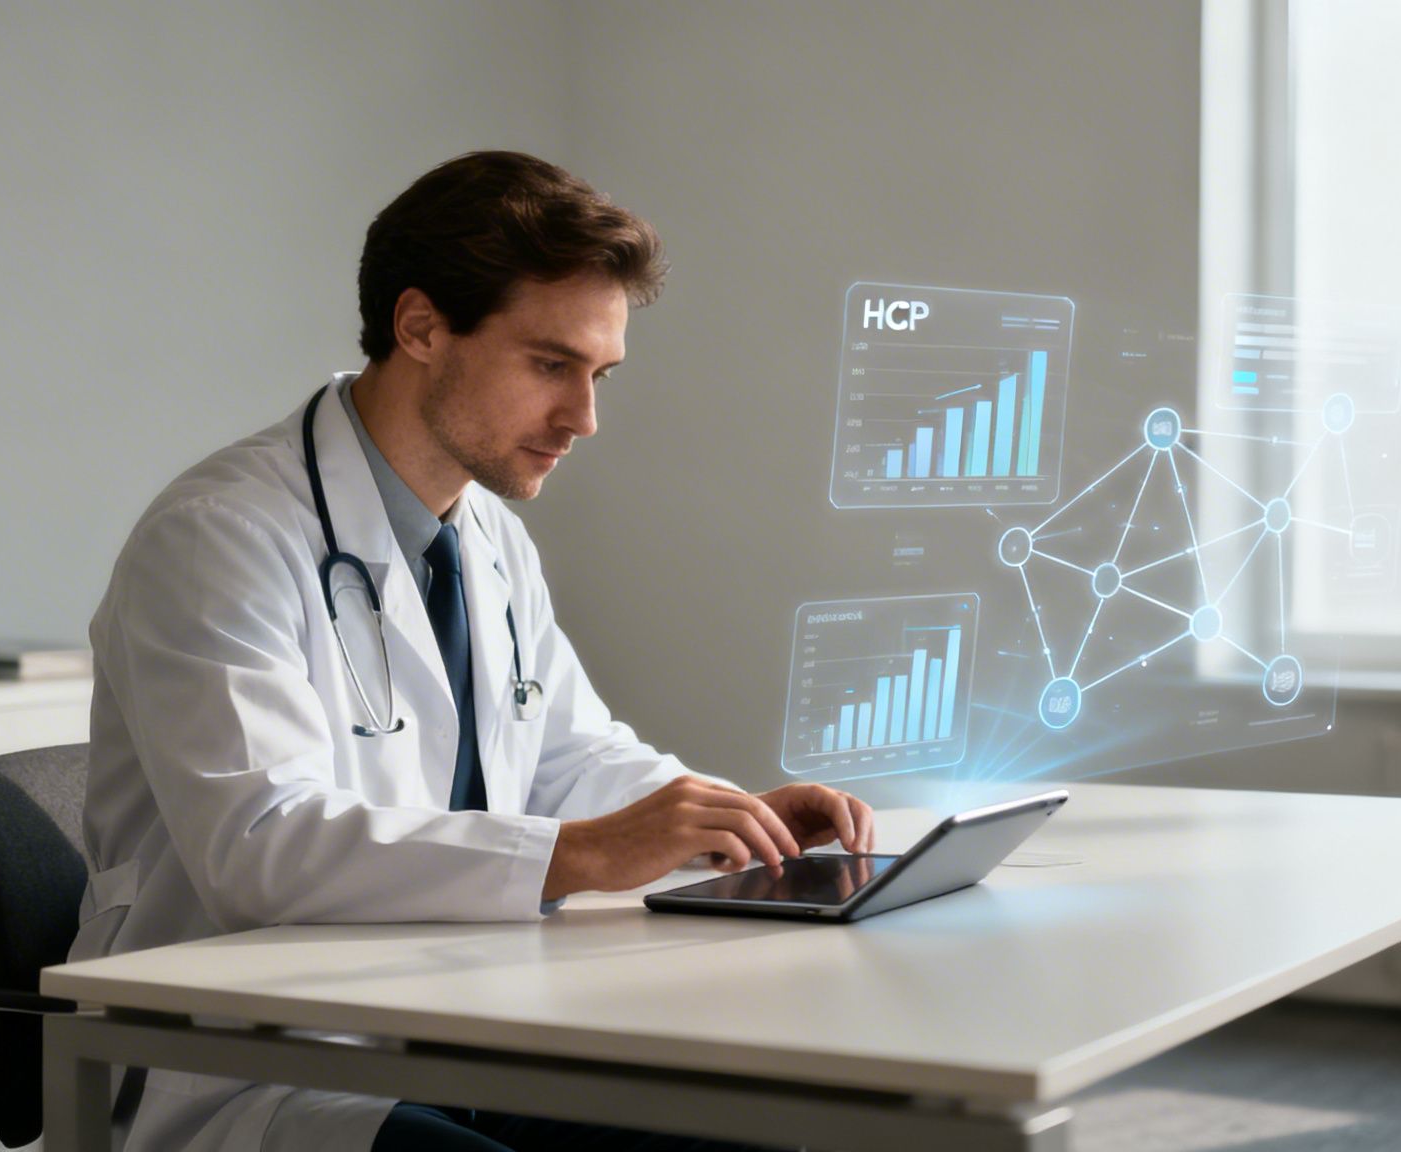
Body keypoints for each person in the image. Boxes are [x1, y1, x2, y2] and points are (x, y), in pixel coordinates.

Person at [70, 150, 875, 1152]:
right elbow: (259, 847)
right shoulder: (218, 536)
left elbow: (568, 753)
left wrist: (726, 819)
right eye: (550, 365)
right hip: (257, 1066)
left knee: (774, 1135)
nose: (584, 419)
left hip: (463, 1024)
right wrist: (582, 854)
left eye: (599, 374)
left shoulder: (484, 532)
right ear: (420, 327)